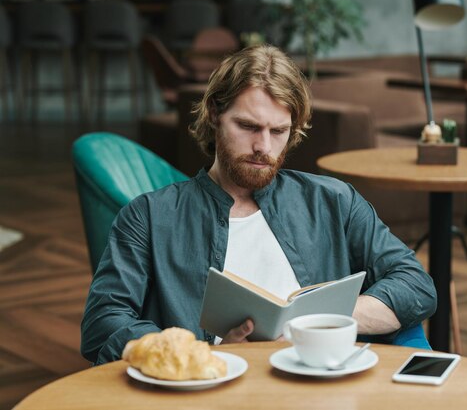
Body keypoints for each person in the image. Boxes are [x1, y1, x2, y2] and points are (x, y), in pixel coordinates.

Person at [80, 45, 436, 365]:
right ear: (215, 115)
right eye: (248, 126)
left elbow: (416, 285)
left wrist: (323, 320)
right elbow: (103, 325)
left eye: (278, 131)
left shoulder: (335, 201)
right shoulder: (149, 216)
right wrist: (205, 354)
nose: (263, 147)